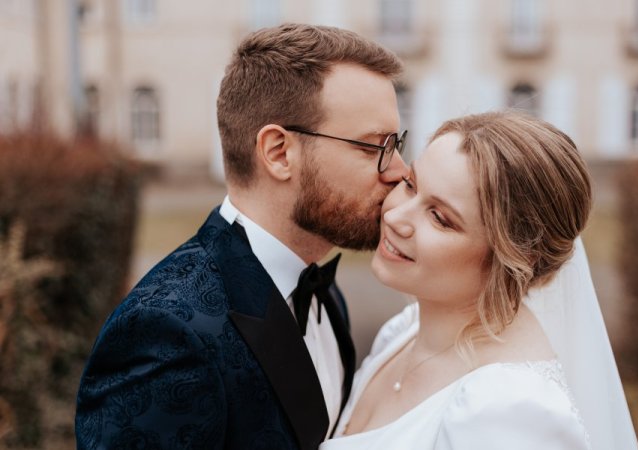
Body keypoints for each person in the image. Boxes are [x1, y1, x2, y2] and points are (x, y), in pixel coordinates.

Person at [75, 23, 409, 450]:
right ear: (278, 153)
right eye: (373, 146)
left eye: (396, 143)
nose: (399, 169)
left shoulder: (327, 296)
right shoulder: (165, 331)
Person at [321, 111, 638, 449]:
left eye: (440, 218)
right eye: (410, 184)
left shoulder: (508, 411)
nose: (396, 216)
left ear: (510, 256)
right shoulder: (405, 331)